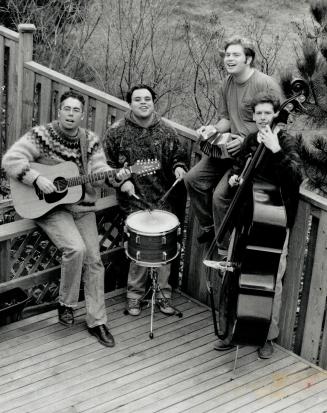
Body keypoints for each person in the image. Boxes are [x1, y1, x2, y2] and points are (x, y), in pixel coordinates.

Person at [2, 90, 129, 347]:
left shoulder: (89, 140)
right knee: (75, 248)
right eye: (66, 109)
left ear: (82, 116)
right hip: (49, 208)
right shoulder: (41, 135)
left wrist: (116, 176)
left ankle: (97, 321)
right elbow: (10, 159)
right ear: (59, 112)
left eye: (76, 111)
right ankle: (66, 304)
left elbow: (100, 171)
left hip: (81, 207)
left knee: (94, 260)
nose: (71, 114)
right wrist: (36, 178)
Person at [214, 92, 302, 357]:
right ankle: (231, 330)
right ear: (253, 116)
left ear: (276, 114)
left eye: (267, 113)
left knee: (270, 281)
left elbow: (295, 177)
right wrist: (234, 178)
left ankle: (266, 337)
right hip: (247, 218)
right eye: (258, 114)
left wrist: (275, 150)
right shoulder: (251, 139)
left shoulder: (286, 141)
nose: (263, 118)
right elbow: (240, 167)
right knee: (234, 275)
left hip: (274, 221)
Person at [184, 36, 282, 257]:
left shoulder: (264, 84)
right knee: (192, 180)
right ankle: (210, 228)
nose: (229, 59)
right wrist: (212, 130)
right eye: (227, 55)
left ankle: (224, 248)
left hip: (248, 153)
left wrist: (249, 139)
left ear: (248, 58)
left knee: (220, 196)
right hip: (227, 148)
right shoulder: (227, 83)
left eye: (235, 55)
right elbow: (226, 119)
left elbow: (277, 124)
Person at [104, 84, 188, 317]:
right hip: (133, 201)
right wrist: (121, 182)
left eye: (147, 99)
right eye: (138, 99)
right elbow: (106, 166)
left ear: (153, 102)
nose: (143, 102)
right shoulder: (116, 132)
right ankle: (134, 296)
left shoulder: (167, 131)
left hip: (163, 199)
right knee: (139, 249)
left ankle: (163, 294)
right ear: (130, 103)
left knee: (165, 249)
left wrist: (180, 168)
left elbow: (179, 157)